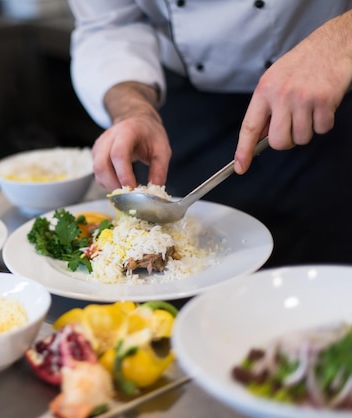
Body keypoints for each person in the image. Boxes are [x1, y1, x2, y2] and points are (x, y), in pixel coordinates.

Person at [67, 1, 352, 267]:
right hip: (187, 109)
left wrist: (339, 41)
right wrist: (133, 110)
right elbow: (110, 26)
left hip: (328, 94)